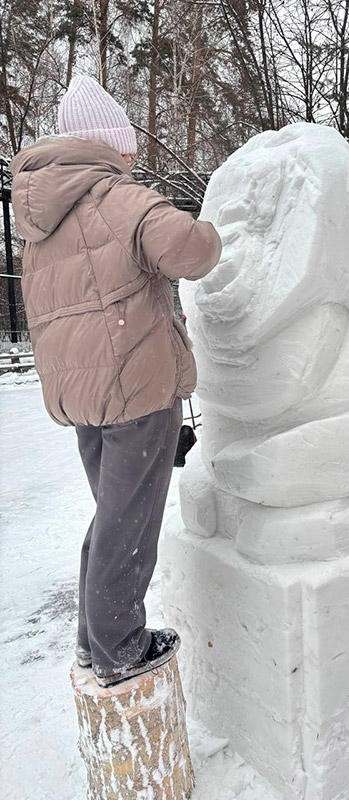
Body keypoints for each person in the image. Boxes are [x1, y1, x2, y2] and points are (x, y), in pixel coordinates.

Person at [10, 75, 222, 686]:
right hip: (134, 385)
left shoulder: (43, 217)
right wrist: (214, 227)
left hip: (81, 393)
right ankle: (119, 648)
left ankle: (91, 641)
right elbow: (193, 251)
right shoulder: (117, 196)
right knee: (128, 525)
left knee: (112, 516)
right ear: (111, 143)